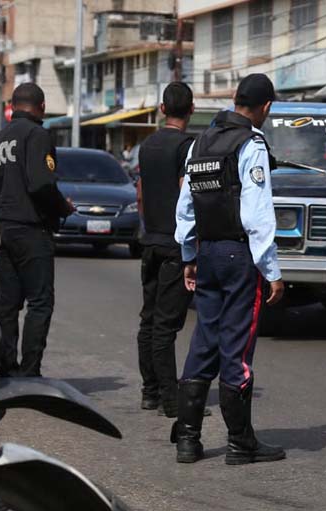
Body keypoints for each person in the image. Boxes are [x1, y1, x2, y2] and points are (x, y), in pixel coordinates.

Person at [172, 73, 285, 465]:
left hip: (206, 252)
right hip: (239, 255)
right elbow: (257, 215)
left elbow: (185, 207)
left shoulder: (200, 142)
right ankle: (240, 443)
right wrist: (271, 269)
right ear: (265, 106)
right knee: (237, 345)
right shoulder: (251, 143)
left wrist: (188, 255)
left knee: (204, 338)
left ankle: (188, 439)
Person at [0, 83, 74, 377]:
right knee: (40, 302)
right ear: (42, 107)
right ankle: (30, 371)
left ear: (12, 106)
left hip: (3, 230)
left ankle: (8, 367)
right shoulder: (37, 135)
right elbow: (42, 184)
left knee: (8, 304)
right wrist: (63, 208)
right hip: (32, 229)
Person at [136, 82, 196, 417]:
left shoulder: (147, 145)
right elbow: (186, 197)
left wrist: (150, 226)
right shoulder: (188, 146)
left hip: (152, 239)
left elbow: (141, 194)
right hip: (176, 243)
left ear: (162, 109)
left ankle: (150, 391)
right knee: (166, 325)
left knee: (148, 320)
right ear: (191, 109)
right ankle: (171, 400)